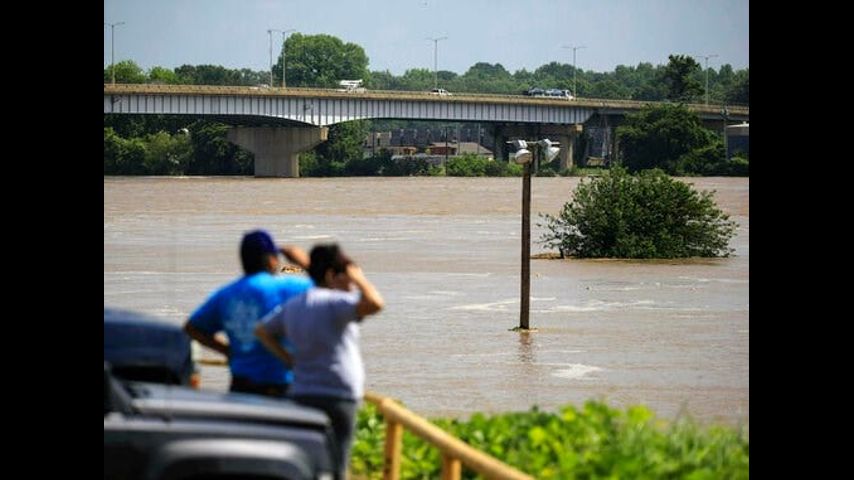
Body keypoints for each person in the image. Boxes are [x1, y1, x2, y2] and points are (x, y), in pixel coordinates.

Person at [255, 244, 384, 479]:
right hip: (339, 393)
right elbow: (375, 303)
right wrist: (359, 277)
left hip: (302, 391)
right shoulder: (336, 302)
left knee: (305, 463)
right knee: (337, 465)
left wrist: (288, 360)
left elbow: (262, 331)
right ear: (331, 275)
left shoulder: (294, 304)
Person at [184, 229, 312, 398]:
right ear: (271, 259)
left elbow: (192, 328)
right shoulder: (287, 287)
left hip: (241, 387)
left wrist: (228, 351)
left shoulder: (225, 294)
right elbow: (327, 289)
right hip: (281, 385)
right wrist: (306, 263)